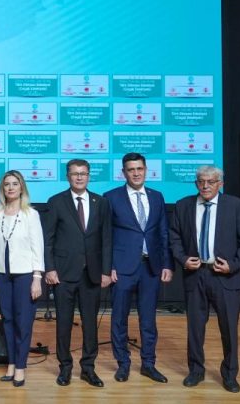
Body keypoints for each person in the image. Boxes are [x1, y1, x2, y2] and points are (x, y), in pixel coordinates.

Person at [170, 165, 240, 393]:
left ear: (220, 184)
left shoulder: (235, 205)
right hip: (195, 275)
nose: (205, 186)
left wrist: (232, 265)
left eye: (211, 182)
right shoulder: (183, 205)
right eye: (201, 181)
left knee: (229, 329)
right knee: (195, 329)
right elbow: (174, 238)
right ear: (196, 183)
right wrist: (183, 259)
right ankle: (196, 371)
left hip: (226, 277)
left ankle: (230, 375)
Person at [42, 158, 112, 387]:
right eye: (75, 173)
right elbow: (48, 239)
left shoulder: (101, 202)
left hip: (92, 273)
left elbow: (106, 239)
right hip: (63, 274)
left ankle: (88, 368)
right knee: (63, 323)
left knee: (90, 324)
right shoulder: (56, 202)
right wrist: (50, 268)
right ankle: (65, 367)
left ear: (89, 176)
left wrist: (105, 271)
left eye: (83, 173)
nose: (79, 177)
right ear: (68, 176)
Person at [104, 153, 171, 384]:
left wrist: (167, 264)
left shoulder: (157, 196)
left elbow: (163, 232)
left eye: (139, 169)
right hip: (122, 268)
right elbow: (106, 236)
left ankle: (148, 364)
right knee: (119, 319)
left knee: (148, 320)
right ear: (123, 172)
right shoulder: (111, 197)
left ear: (146, 170)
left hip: (150, 267)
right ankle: (123, 364)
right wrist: (109, 266)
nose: (136, 173)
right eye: (131, 169)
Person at [0, 170, 43, 387]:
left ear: (22, 188)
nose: (10, 188)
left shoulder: (31, 214)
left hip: (25, 275)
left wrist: (37, 277)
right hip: (1, 274)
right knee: (7, 320)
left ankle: (20, 366)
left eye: (15, 184)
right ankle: (11, 363)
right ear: (2, 188)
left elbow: (37, 247)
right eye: (7, 184)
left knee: (23, 322)